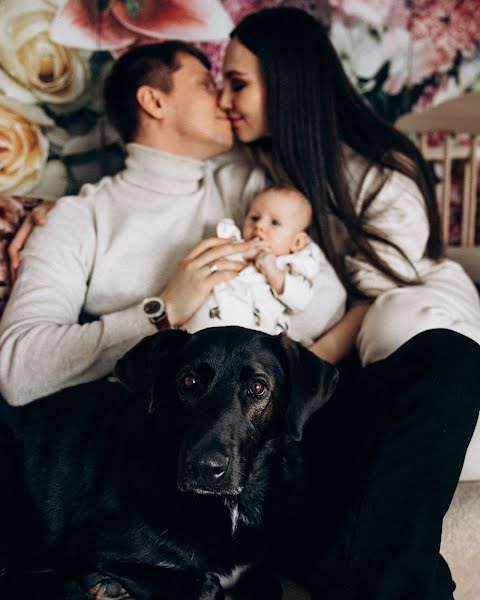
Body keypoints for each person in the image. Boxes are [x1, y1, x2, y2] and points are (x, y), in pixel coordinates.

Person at [214, 7, 480, 600]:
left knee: (447, 359)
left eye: (238, 83)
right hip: (292, 404)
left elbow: (385, 292)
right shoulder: (239, 173)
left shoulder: (382, 174)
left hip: (345, 377)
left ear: (286, 84)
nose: (224, 100)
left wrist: (308, 358)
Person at [0, 41, 337, 406]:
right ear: (154, 101)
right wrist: (162, 313)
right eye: (207, 85)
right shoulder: (77, 218)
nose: (226, 100)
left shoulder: (247, 189)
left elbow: (329, 301)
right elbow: (18, 369)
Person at [184, 185, 346, 341]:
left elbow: (301, 301)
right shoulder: (232, 242)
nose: (259, 225)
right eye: (254, 217)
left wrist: (274, 273)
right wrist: (239, 252)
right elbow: (207, 264)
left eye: (274, 222)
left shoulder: (292, 266)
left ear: (296, 242)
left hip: (252, 339)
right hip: (206, 324)